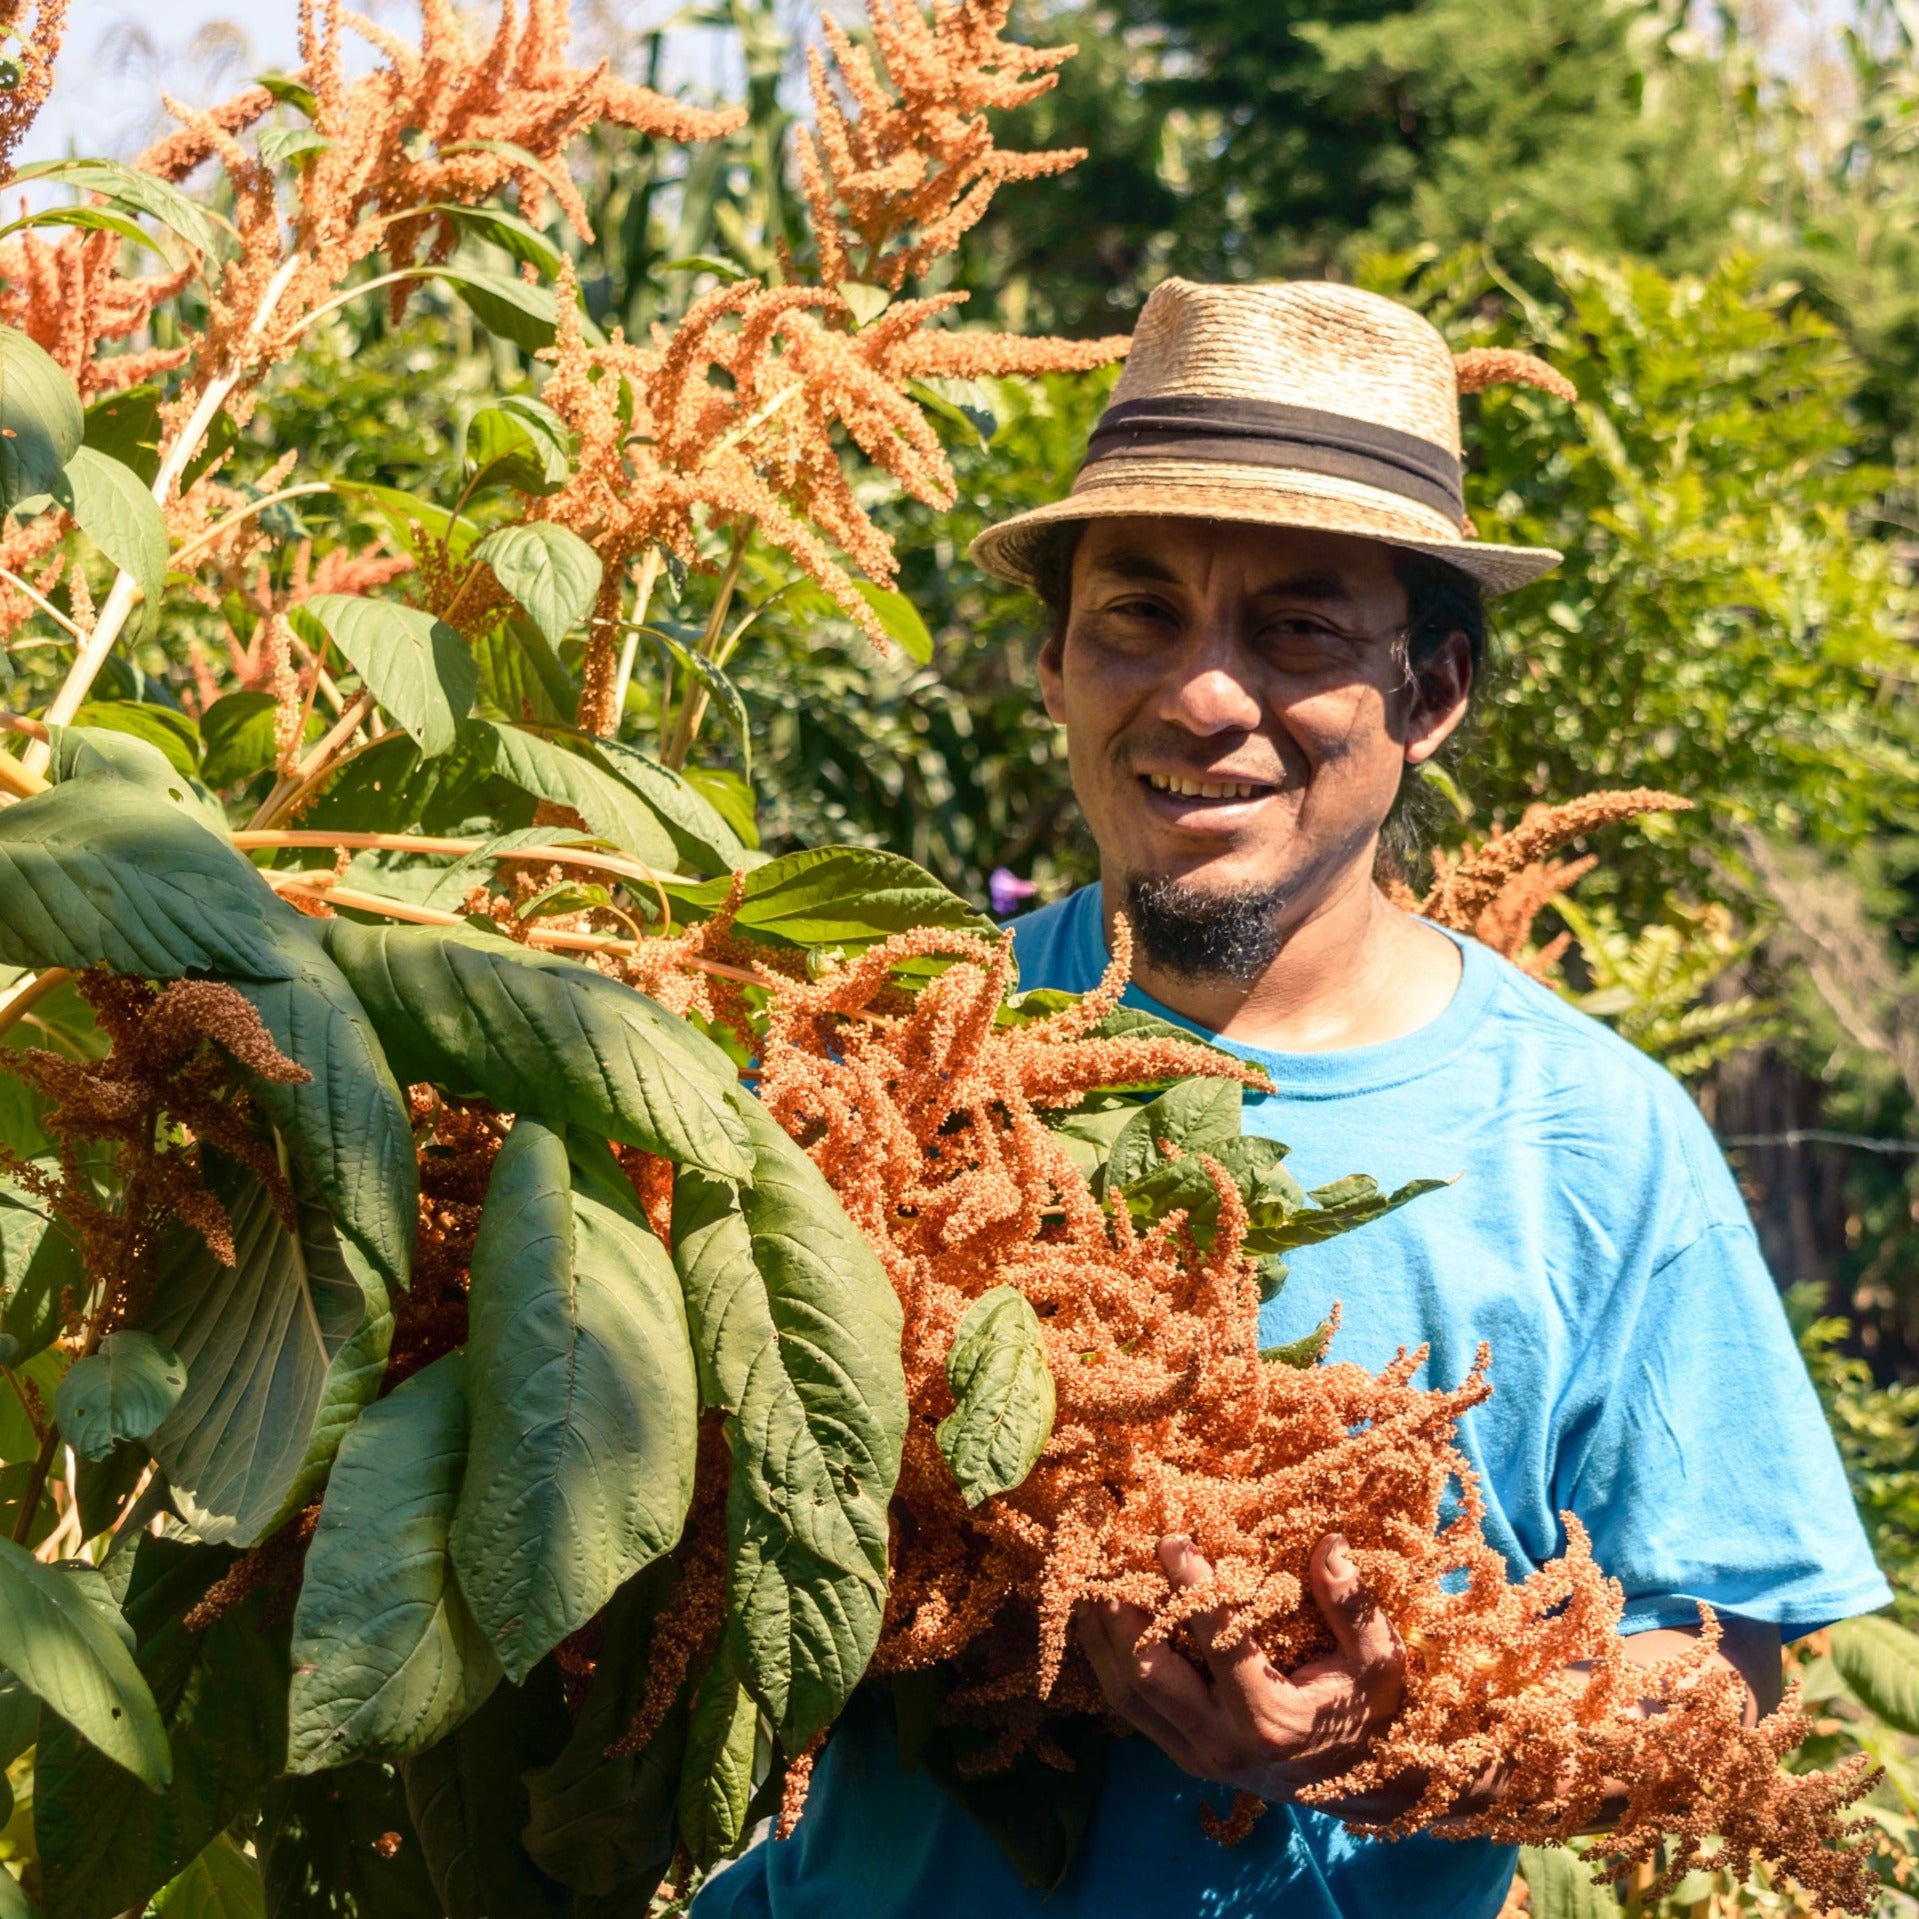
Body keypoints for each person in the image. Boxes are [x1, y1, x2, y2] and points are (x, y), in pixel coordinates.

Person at [690, 277, 1891, 1919]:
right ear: (1052, 664)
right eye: (1137, 615)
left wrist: (1425, 1728)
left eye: (1300, 630)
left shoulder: (1594, 1144)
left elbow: (1731, 1672)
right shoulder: (880, 1062)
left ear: (1432, 695)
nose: (1204, 698)